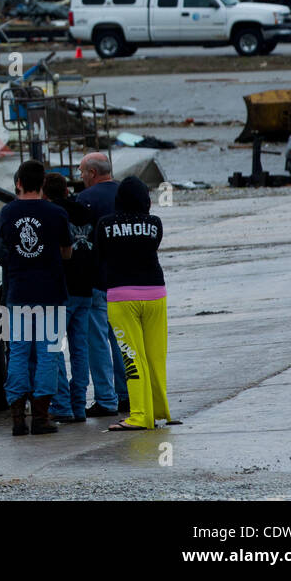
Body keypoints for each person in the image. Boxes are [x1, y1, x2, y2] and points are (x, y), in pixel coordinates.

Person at [0, 159, 72, 436]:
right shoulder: (57, 213)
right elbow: (67, 252)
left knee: (19, 352)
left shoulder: (6, 214)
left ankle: (17, 418)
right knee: (48, 353)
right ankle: (40, 416)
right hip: (50, 293)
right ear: (43, 185)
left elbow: (2, 252)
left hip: (19, 293)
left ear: (18, 183)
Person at [94, 176, 176, 431]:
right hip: (155, 292)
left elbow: (100, 256)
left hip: (121, 295)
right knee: (155, 355)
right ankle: (160, 409)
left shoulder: (105, 224)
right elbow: (153, 247)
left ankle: (140, 414)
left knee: (132, 356)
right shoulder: (154, 223)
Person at [75, 151, 130, 416]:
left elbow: (80, 244)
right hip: (127, 281)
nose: (81, 178)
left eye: (82, 173)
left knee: (97, 342)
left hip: (97, 282)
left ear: (92, 173)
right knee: (122, 341)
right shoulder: (126, 196)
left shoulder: (84, 201)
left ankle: (106, 399)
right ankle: (127, 394)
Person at [41, 172, 96, 424]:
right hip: (87, 288)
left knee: (54, 348)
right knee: (80, 350)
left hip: (61, 290)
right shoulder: (86, 211)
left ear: (45, 193)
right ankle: (79, 405)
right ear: (66, 190)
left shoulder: (51, 215)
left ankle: (62, 405)